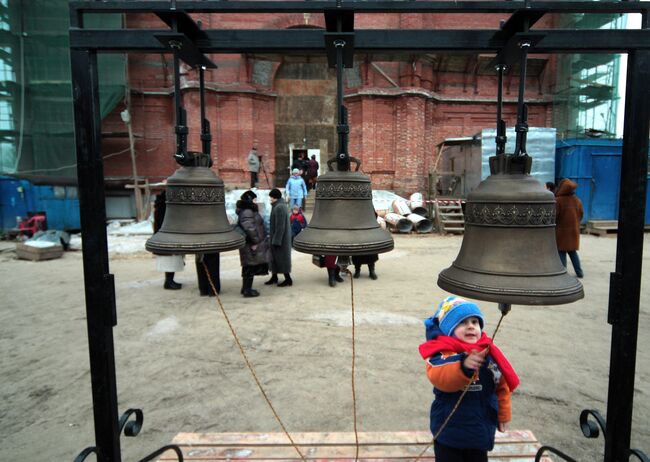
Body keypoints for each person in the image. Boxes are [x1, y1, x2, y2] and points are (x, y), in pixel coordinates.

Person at [418, 296, 519, 461]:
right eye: (463, 322)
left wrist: (503, 413)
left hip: (480, 429)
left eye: (475, 322)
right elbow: (439, 376)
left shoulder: (488, 353)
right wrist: (463, 365)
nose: (471, 326)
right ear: (449, 329)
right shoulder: (441, 353)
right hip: (449, 431)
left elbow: (501, 386)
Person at [236, 190, 270, 297]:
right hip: (251, 244)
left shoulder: (248, 210)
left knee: (248, 265)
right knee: (250, 266)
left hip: (250, 243)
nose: (256, 201)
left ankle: (245, 288)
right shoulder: (247, 211)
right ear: (249, 200)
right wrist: (255, 241)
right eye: (254, 199)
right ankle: (247, 290)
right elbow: (249, 228)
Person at [153, 191, 183, 290]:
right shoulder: (163, 208)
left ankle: (170, 280)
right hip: (167, 236)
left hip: (168, 236)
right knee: (169, 260)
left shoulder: (162, 207)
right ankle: (168, 282)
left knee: (172, 260)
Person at [555, 178, 584, 278]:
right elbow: (581, 215)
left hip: (561, 232)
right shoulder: (577, 200)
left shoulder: (558, 201)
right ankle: (579, 272)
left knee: (561, 251)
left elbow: (554, 216)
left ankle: (563, 272)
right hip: (574, 231)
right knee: (572, 252)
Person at [266, 188, 293, 287]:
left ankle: (288, 279)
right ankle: (274, 277)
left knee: (282, 259)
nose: (270, 199)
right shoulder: (278, 206)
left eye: (271, 197)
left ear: (275, 197)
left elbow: (280, 226)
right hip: (278, 238)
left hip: (280, 239)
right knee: (275, 258)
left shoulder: (279, 207)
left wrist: (276, 240)